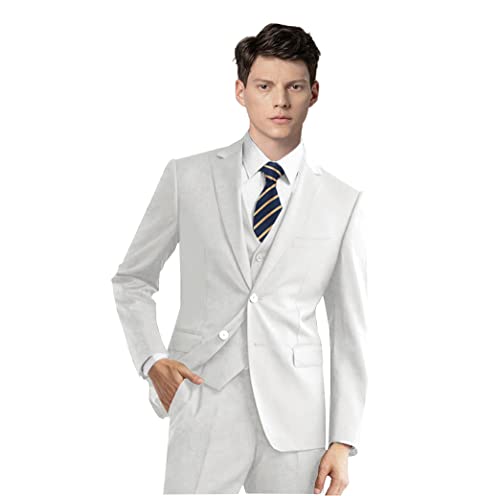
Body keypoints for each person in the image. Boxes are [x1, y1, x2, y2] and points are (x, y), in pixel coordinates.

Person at [111, 22, 367, 495]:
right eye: (264, 86)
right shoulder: (187, 177)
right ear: (240, 91)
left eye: (294, 87)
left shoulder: (341, 201)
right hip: (202, 398)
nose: (280, 102)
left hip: (296, 421)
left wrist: (342, 440)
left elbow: (350, 330)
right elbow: (132, 279)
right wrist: (152, 361)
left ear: (314, 93)